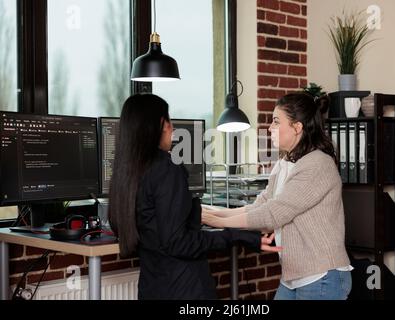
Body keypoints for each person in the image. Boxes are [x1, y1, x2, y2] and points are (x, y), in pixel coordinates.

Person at [108, 93, 280, 300]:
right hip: (184, 288)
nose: (172, 128)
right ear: (162, 124)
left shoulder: (125, 174)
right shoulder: (166, 168)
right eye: (169, 120)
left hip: (151, 288)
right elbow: (178, 243)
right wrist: (238, 236)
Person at [202, 92, 352, 300]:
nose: (270, 128)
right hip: (295, 276)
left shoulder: (318, 164)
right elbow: (262, 204)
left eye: (275, 122)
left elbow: (272, 216)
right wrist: (216, 213)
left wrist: (213, 220)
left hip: (321, 276)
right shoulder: (285, 163)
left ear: (297, 127)